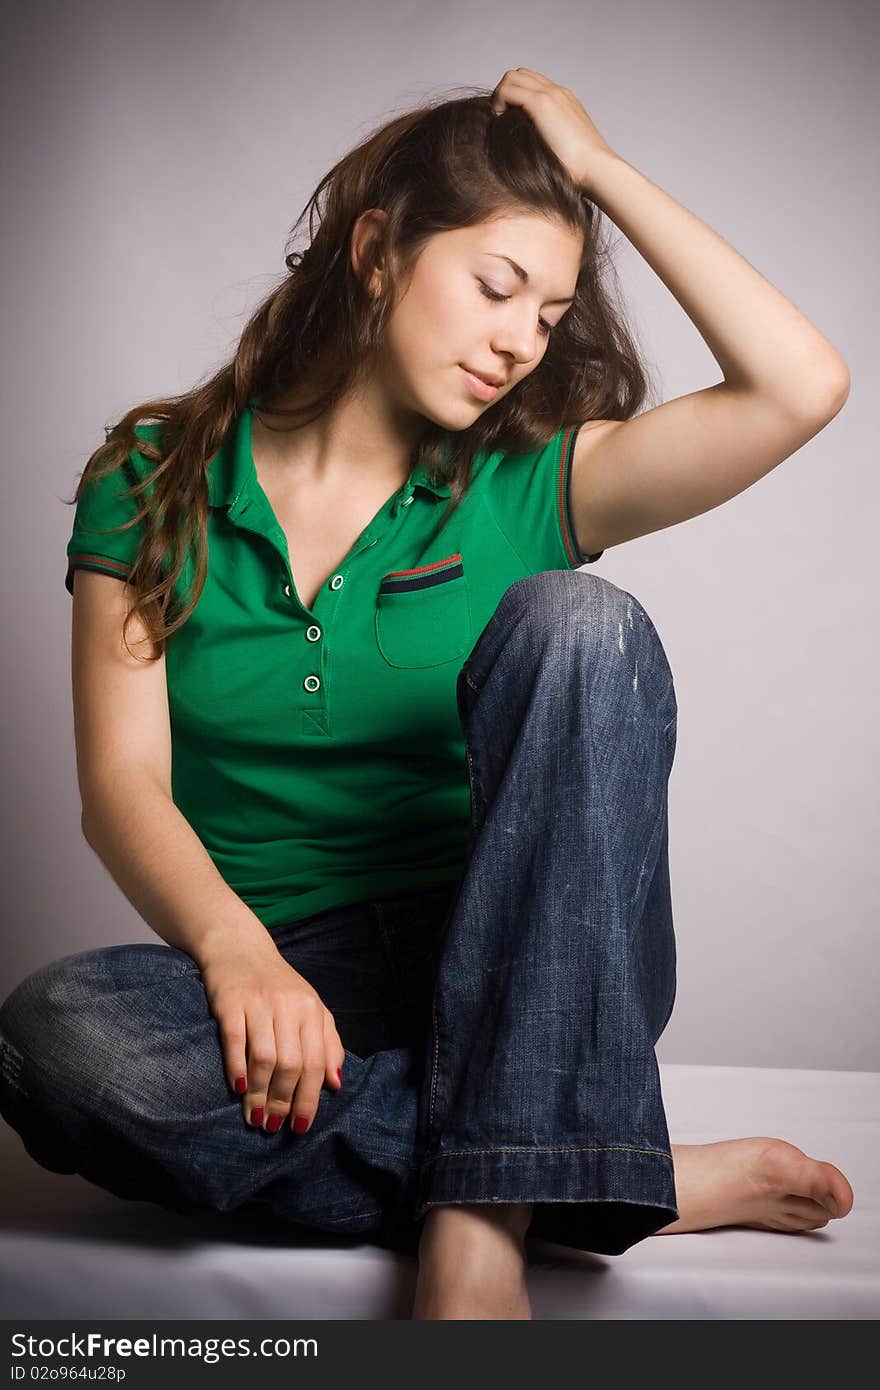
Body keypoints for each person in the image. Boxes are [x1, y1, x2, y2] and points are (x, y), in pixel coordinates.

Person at [0, 69, 854, 1320]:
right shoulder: (154, 474)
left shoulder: (528, 483)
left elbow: (801, 387)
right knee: (52, 1037)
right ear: (378, 254)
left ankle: (477, 1223)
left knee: (582, 624)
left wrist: (602, 171)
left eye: (553, 311)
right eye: (497, 286)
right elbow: (119, 783)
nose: (522, 340)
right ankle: (600, 1169)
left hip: (522, 955)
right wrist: (238, 958)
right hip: (288, 980)